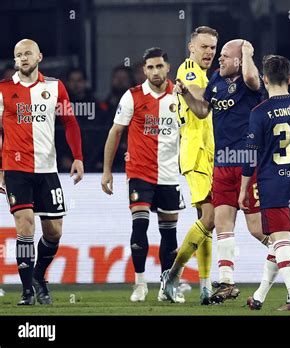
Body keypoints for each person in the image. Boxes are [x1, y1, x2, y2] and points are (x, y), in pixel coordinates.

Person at [166, 39, 268, 304]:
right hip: (222, 162)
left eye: (224, 55)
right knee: (222, 224)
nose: (218, 58)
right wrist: (187, 94)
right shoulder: (216, 82)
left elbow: (249, 75)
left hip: (248, 163)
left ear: (239, 59)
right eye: (217, 53)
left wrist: (247, 49)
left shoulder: (250, 83)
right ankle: (226, 282)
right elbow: (202, 111)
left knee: (256, 229)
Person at [0, 39, 84, 305]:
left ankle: (38, 276)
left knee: (53, 232)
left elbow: (69, 122)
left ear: (39, 57)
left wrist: (78, 158)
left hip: (47, 170)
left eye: (27, 53)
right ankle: (26, 292)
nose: (23, 58)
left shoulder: (54, 87)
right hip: (15, 169)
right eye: (18, 55)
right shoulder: (3, 90)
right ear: (15, 61)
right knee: (25, 225)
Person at [101, 47, 185, 303]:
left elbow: (193, 131)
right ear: (144, 70)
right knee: (140, 225)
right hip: (140, 172)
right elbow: (115, 132)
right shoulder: (132, 96)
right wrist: (107, 171)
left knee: (169, 235)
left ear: (168, 67)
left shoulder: (180, 96)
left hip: (170, 174)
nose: (155, 71)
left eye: (159, 66)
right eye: (150, 67)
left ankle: (167, 286)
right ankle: (139, 284)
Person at [239, 55, 290, 311]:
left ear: (264, 79)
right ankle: (259, 296)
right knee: (279, 242)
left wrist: (243, 189)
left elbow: (251, 155)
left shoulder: (260, 112)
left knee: (280, 241)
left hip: (274, 182)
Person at [164, 26, 218, 305]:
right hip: (195, 154)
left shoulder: (203, 74)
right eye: (204, 47)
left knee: (206, 223)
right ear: (191, 48)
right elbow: (201, 109)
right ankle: (172, 276)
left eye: (212, 47)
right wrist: (189, 95)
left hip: (207, 154)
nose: (209, 52)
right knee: (209, 218)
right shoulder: (190, 72)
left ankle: (206, 287)